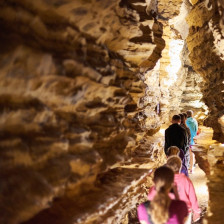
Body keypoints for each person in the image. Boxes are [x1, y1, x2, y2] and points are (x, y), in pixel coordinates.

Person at [166, 156, 201, 223]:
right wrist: (196, 211)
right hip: (185, 212)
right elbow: (192, 197)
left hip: (170, 211)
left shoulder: (165, 180)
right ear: (180, 167)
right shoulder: (186, 180)